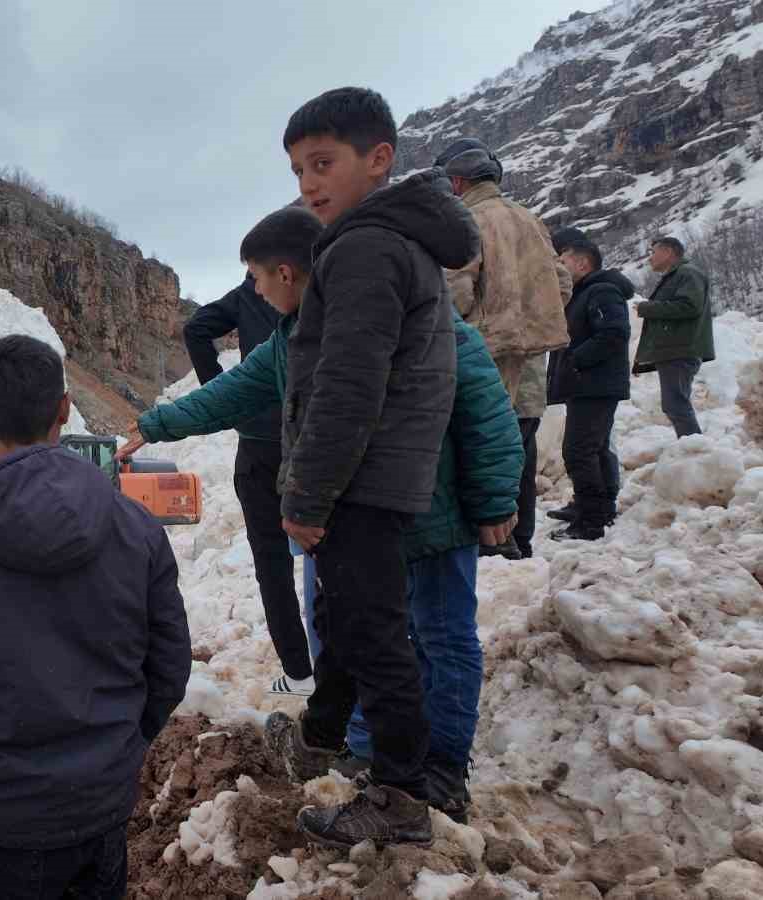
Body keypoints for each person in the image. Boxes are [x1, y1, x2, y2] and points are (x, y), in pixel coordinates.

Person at [130, 85, 479, 846]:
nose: (309, 183)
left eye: (323, 163)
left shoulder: (363, 249)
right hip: (379, 476)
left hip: (364, 479)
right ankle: (331, 737)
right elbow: (269, 385)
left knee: (377, 636)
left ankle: (400, 796)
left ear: (378, 158)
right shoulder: (387, 244)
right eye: (297, 170)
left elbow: (346, 389)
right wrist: (157, 423)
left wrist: (308, 498)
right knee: (354, 625)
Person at [0, 334, 190, 899]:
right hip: (99, 809)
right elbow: (169, 666)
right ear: (65, 409)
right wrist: (119, 751)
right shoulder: (137, 527)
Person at [434, 139, 571, 560]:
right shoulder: (530, 219)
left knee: (482, 445)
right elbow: (562, 284)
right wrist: (532, 318)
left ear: (458, 182)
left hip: (484, 355)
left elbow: (455, 292)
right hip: (531, 356)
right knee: (521, 445)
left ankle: (493, 542)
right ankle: (521, 537)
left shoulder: (467, 220)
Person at [182, 274, 312, 696]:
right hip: (311, 440)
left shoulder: (246, 294)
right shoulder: (319, 287)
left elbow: (196, 328)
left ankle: (299, 672)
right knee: (330, 559)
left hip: (259, 444)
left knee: (272, 566)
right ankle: (338, 668)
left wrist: (223, 392)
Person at [546, 235, 634, 541]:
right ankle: (598, 507)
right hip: (588, 383)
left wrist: (575, 361)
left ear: (583, 263)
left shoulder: (601, 291)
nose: (557, 265)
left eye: (562, 260)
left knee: (578, 451)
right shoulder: (585, 292)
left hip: (594, 384)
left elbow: (614, 333)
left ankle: (591, 520)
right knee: (594, 448)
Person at [634, 236, 714, 438]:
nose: (650, 258)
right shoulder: (678, 275)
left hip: (680, 349)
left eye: (653, 252)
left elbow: (689, 306)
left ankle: (695, 449)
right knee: (674, 404)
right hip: (674, 350)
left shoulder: (688, 273)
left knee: (676, 404)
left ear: (668, 252)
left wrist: (647, 308)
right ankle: (693, 446)